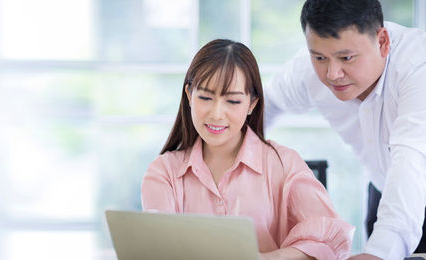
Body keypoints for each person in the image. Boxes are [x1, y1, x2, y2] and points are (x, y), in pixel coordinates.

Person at [264, 0, 426, 259]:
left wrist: (379, 253)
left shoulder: (424, 67)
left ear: (382, 41)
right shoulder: (308, 69)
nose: (332, 73)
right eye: (319, 57)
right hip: (385, 194)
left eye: (346, 58)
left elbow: (411, 163)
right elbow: (264, 105)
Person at [141, 39, 353, 260]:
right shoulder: (163, 172)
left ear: (252, 103)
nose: (216, 114)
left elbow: (328, 240)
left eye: (232, 101)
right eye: (205, 97)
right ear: (189, 96)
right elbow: (158, 250)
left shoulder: (283, 163)